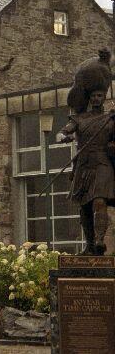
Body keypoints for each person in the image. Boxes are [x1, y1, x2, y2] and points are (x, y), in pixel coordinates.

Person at [57, 89, 115, 255]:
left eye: (99, 96)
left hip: (103, 162)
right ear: (89, 99)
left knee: (99, 201)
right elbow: (63, 131)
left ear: (104, 98)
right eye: (93, 96)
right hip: (83, 165)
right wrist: (62, 136)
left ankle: (99, 241)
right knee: (84, 208)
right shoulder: (79, 119)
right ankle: (89, 245)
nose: (96, 99)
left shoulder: (110, 119)